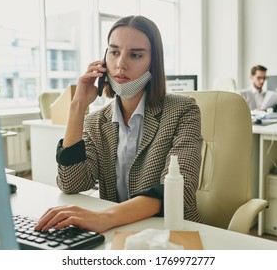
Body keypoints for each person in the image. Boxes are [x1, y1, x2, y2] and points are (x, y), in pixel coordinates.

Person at [35, 15, 204, 234]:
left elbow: (178, 190)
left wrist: (104, 217)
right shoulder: (97, 120)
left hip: (169, 232)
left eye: (135, 55)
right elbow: (71, 183)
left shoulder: (183, 110)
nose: (121, 64)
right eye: (114, 52)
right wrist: (77, 107)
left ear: (153, 61)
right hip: (119, 232)